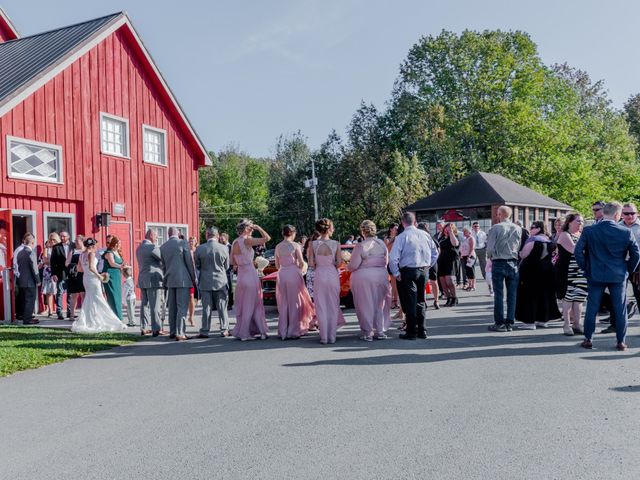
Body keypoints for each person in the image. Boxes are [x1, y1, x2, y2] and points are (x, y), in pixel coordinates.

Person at [575, 202, 640, 351]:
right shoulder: (625, 232)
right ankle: (621, 341)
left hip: (595, 273)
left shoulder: (589, 231)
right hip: (618, 274)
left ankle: (588, 339)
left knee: (592, 307)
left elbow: (578, 252)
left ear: (604, 213)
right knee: (620, 308)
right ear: (617, 215)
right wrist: (628, 270)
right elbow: (636, 254)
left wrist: (586, 268)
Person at [389, 212, 439, 340]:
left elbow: (393, 258)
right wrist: (428, 265)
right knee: (421, 301)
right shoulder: (425, 235)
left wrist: (396, 273)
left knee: (410, 301)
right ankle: (422, 330)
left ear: (402, 222)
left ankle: (411, 331)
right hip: (423, 270)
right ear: (414, 221)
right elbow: (435, 253)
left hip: (408, 271)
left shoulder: (401, 237)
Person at [71, 238, 127, 334]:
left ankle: (90, 319)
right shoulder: (91, 254)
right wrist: (100, 276)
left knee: (89, 298)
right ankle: (108, 320)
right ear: (92, 246)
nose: (96, 247)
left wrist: (88, 271)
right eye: (95, 245)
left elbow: (79, 268)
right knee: (99, 298)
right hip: (93, 279)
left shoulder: (81, 255)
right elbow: (92, 267)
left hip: (86, 278)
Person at [348, 220, 391, 341]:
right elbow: (386, 262)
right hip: (381, 275)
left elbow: (354, 265)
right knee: (379, 304)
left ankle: (367, 332)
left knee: (365, 304)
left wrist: (347, 265)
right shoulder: (382, 244)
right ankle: (380, 331)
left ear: (362, 231)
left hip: (364, 277)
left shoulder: (360, 246)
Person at [515, 221, 561, 329]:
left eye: (532, 227)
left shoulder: (533, 240)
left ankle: (530, 322)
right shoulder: (550, 241)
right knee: (545, 295)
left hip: (532, 271)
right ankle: (543, 320)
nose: (530, 229)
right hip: (547, 271)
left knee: (530, 295)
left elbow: (523, 255)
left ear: (539, 228)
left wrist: (517, 252)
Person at [231, 219, 270, 341]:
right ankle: (246, 333)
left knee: (243, 305)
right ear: (247, 229)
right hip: (250, 275)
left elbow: (232, 262)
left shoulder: (234, 242)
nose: (252, 229)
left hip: (241, 276)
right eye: (250, 227)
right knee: (254, 304)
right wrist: (258, 228)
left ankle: (249, 331)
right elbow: (267, 238)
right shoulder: (246, 241)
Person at [308, 218, 345, 344]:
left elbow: (311, 263)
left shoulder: (312, 244)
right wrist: (332, 262)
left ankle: (324, 337)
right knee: (333, 304)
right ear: (329, 228)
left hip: (320, 274)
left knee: (321, 305)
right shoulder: (336, 243)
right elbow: (339, 263)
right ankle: (332, 336)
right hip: (332, 274)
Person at [275, 225, 314, 340]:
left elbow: (277, 265)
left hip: (282, 274)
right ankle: (294, 330)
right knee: (295, 302)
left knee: (284, 302)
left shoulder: (278, 246)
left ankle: (283, 330)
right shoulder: (295, 245)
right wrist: (302, 268)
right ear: (292, 233)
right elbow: (301, 262)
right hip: (293, 273)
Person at [486, 206, 522, 332]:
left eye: (497, 214)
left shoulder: (495, 228)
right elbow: (518, 246)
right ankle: (510, 321)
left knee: (499, 294)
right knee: (512, 294)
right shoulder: (518, 228)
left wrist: (491, 256)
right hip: (513, 261)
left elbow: (490, 248)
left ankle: (499, 322)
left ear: (500, 214)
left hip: (499, 261)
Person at [160, 227, 196, 341]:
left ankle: (172, 331)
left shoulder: (163, 246)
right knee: (182, 307)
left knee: (172, 307)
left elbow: (164, 266)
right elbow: (189, 262)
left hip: (170, 279)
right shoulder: (182, 243)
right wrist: (193, 277)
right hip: (183, 279)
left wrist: (165, 279)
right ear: (178, 233)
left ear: (168, 234)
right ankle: (180, 333)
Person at [555, 213, 587, 336]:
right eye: (578, 221)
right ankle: (566, 325)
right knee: (568, 298)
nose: (581, 223)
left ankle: (577, 324)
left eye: (582, 221)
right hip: (567, 271)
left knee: (579, 298)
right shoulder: (564, 235)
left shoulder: (582, 235)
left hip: (581, 271)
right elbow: (574, 249)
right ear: (570, 222)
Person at [195, 227, 230, 338]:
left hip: (205, 281)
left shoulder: (199, 249)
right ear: (217, 235)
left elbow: (197, 266)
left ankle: (205, 330)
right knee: (222, 307)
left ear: (207, 235)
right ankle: (224, 329)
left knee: (206, 308)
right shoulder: (224, 248)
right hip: (220, 280)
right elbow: (227, 266)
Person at [136, 229, 166, 336]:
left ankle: (144, 327)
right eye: (156, 236)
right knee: (155, 305)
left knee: (144, 304)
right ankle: (156, 328)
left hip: (142, 277)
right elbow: (163, 258)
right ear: (151, 235)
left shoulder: (139, 248)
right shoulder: (152, 247)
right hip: (153, 278)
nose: (157, 238)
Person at [16, 233, 40, 325]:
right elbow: (34, 268)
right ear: (32, 242)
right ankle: (28, 319)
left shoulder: (20, 252)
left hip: (22, 280)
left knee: (25, 301)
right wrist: (38, 280)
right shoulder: (30, 252)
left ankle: (26, 318)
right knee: (30, 300)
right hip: (29, 281)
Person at [417, 222, 440, 309]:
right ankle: (431, 301)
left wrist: (432, 262)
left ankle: (435, 300)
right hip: (426, 263)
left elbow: (438, 250)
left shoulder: (430, 238)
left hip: (429, 263)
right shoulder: (425, 238)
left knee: (430, 282)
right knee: (426, 282)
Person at [102, 236, 125, 320]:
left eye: (120, 243)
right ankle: (114, 317)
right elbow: (112, 263)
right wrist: (121, 266)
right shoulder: (109, 252)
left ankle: (119, 316)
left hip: (117, 276)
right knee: (113, 296)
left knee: (118, 296)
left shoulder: (117, 252)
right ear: (114, 243)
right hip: (110, 276)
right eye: (118, 243)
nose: (119, 245)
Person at [437, 223, 460, 306]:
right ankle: (449, 298)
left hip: (450, 261)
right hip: (441, 261)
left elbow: (455, 244)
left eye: (449, 229)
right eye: (445, 229)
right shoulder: (442, 238)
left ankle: (454, 298)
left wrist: (451, 232)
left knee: (449, 281)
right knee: (442, 281)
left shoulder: (455, 237)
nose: (446, 230)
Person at [50, 230, 71, 319]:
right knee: (60, 292)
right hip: (60, 273)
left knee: (70, 293)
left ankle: (70, 311)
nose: (62, 238)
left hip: (71, 273)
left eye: (64, 236)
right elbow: (52, 262)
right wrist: (53, 274)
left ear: (68, 237)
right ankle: (59, 312)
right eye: (61, 236)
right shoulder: (56, 247)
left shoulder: (73, 246)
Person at [65, 235, 85, 319]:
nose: (75, 242)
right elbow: (66, 263)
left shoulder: (85, 251)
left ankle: (83, 315)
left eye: (77, 241)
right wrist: (73, 265)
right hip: (73, 275)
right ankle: (72, 315)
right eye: (75, 241)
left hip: (83, 275)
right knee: (73, 296)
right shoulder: (73, 251)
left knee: (83, 295)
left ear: (82, 241)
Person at [39, 234, 59, 317]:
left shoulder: (59, 248)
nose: (52, 241)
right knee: (49, 292)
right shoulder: (47, 249)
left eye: (54, 240)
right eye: (51, 240)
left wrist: (52, 262)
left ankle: (59, 309)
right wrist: (54, 262)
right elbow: (45, 260)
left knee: (58, 291)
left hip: (58, 271)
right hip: (48, 272)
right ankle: (50, 311)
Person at [219, 233, 234, 309]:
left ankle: (230, 304)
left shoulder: (231, 247)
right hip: (221, 269)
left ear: (226, 238)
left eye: (222, 239)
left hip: (229, 269)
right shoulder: (220, 247)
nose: (221, 240)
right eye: (220, 239)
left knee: (230, 287)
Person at [187, 236, 199, 327]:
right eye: (190, 241)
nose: (191, 243)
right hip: (189, 277)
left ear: (195, 242)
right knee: (191, 297)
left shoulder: (198, 251)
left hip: (197, 276)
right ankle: (191, 317)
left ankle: (191, 315)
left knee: (196, 299)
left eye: (193, 241)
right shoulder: (186, 251)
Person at [460, 227, 476, 291]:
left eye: (465, 231)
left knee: (471, 270)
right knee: (467, 271)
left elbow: (472, 248)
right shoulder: (465, 239)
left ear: (469, 232)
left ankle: (473, 286)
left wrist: (469, 256)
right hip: (464, 256)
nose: (463, 232)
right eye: (463, 231)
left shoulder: (471, 238)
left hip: (470, 256)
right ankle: (469, 285)